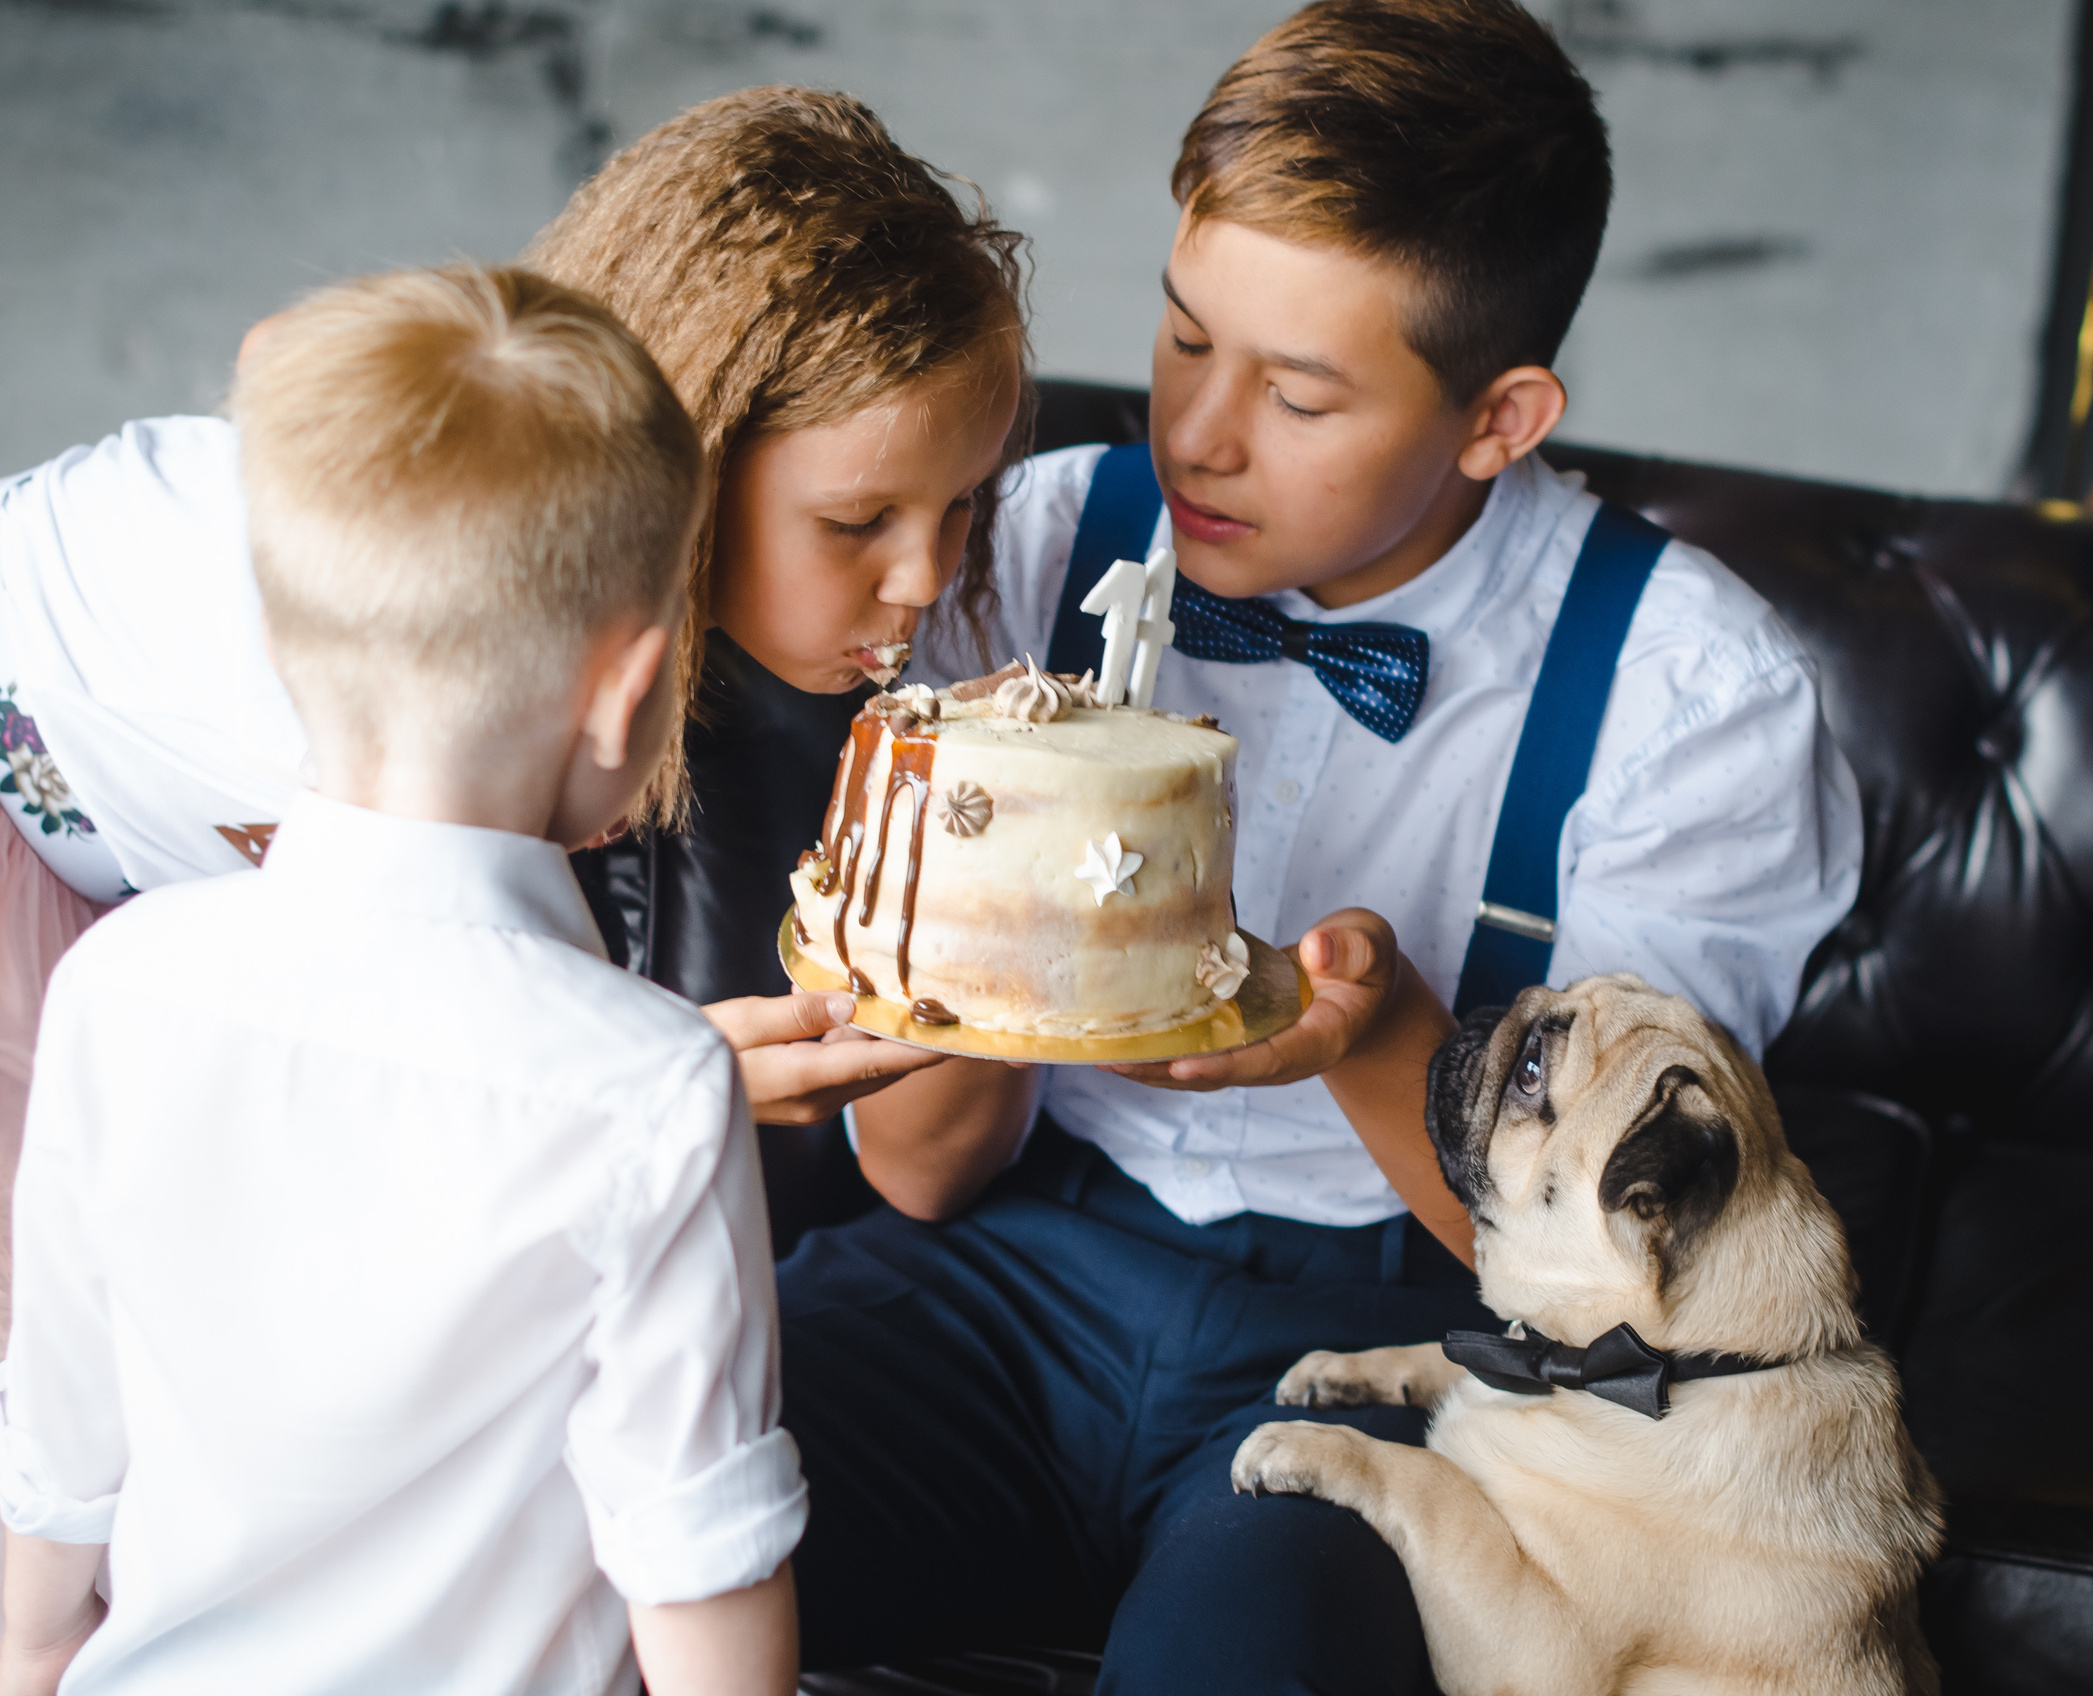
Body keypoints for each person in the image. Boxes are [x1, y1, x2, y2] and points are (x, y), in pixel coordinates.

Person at [778, 2, 1863, 1691]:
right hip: (1001, 1267)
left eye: (1296, 394)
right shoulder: (1034, 542)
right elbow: (920, 1174)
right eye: (1183, 335)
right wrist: (1005, 909)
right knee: (603, 1499)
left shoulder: (1693, 696)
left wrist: (1376, 1037)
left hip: (1397, 1341)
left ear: (1499, 419)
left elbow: (1620, 1294)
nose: (1199, 434)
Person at [0, 86, 1027, 1321]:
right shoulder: (450, 646)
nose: (924, 578)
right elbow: (391, 1104)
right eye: (857, 521)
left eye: (962, 503)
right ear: (698, 451)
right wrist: (664, 1080)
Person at [0, 266, 808, 1695]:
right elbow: (695, 1561)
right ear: (628, 691)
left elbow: (57, 1464)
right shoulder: (650, 1086)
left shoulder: (116, 985)